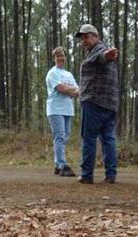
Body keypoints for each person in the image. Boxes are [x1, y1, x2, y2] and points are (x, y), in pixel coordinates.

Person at [75, 24, 119, 184]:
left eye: (86, 37)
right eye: (82, 38)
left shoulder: (99, 50)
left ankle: (87, 175)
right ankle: (111, 175)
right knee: (108, 138)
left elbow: (103, 57)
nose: (83, 41)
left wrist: (108, 55)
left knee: (89, 138)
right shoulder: (98, 51)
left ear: (96, 36)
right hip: (110, 103)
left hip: (94, 102)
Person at [46, 46, 79, 177]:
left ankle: (57, 164)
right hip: (55, 108)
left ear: (65, 57)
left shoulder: (68, 74)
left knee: (65, 136)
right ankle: (62, 165)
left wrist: (71, 90)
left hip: (68, 109)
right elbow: (61, 88)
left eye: (62, 55)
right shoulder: (52, 73)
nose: (60, 58)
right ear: (54, 58)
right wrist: (71, 90)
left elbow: (77, 91)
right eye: (57, 56)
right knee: (59, 136)